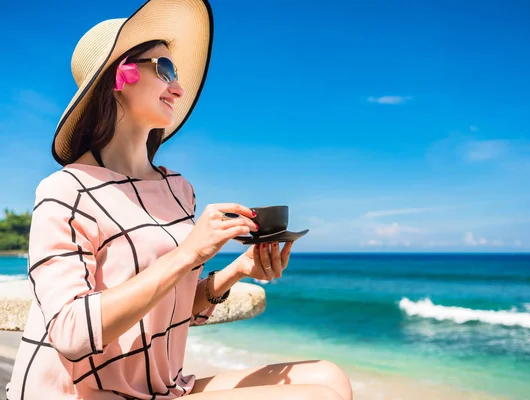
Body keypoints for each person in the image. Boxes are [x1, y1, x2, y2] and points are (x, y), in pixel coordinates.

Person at [6, 0, 352, 399]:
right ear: (120, 76)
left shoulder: (177, 188)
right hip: (80, 393)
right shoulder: (65, 191)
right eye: (165, 70)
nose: (179, 88)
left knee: (330, 376)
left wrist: (237, 270)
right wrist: (188, 252)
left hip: (161, 386)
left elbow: (169, 310)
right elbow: (70, 332)